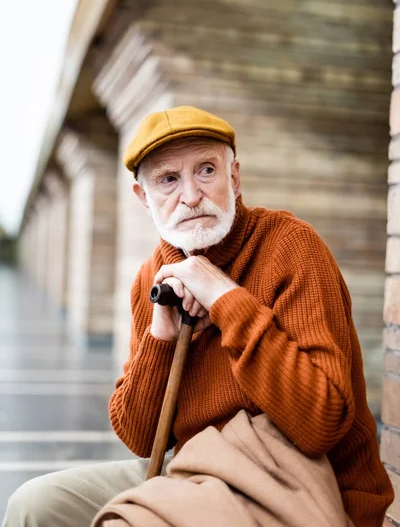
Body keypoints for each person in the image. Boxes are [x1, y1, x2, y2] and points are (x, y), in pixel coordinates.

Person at [4, 106, 394, 527]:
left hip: (302, 487)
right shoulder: (151, 278)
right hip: (198, 471)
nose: (190, 196)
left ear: (234, 176)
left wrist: (226, 298)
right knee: (33, 506)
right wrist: (160, 339)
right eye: (168, 180)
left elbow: (322, 423)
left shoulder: (291, 247)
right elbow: (139, 436)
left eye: (206, 170)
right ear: (144, 198)